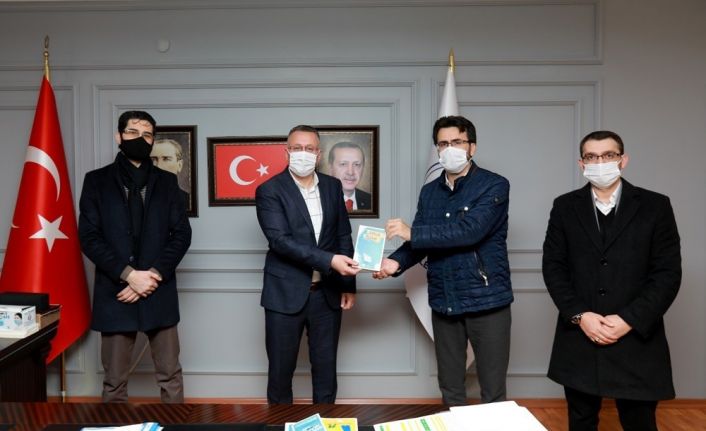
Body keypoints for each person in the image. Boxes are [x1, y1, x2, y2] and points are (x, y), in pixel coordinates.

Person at [542, 130, 681, 431]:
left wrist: (629, 320)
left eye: (608, 155)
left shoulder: (656, 206)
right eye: (592, 157)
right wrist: (580, 316)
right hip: (580, 336)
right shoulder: (564, 207)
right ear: (582, 164)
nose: (600, 162)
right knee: (581, 422)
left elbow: (667, 273)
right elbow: (553, 268)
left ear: (623, 160)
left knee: (640, 423)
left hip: (636, 338)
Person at [373, 115, 513, 406]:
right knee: (450, 387)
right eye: (443, 143)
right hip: (444, 299)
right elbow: (421, 241)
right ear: (437, 149)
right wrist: (394, 263)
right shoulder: (430, 192)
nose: (450, 149)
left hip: (486, 300)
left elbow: (470, 232)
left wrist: (412, 233)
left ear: (472, 147)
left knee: (493, 392)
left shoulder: (494, 185)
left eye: (457, 142)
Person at [79, 110, 192, 403]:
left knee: (171, 376)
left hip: (158, 288)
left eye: (147, 134)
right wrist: (129, 275)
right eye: (132, 132)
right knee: (114, 381)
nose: (140, 139)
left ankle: (174, 426)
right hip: (116, 291)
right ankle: (114, 425)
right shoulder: (96, 181)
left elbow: (181, 235)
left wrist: (151, 276)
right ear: (119, 136)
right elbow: (89, 238)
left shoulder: (168, 182)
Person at [255, 125, 360, 404]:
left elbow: (342, 235)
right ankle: (279, 424)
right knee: (280, 374)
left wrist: (348, 284)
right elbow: (280, 241)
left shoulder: (332, 186)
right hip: (284, 295)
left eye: (310, 148)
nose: (303, 153)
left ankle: (326, 423)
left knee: (326, 373)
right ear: (287, 152)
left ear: (319, 154)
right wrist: (330, 260)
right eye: (297, 148)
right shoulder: (269, 190)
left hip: (327, 294)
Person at [327, 141, 371, 212]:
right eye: (343, 164)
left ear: (363, 168)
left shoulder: (370, 200)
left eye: (356, 165)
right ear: (330, 168)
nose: (350, 172)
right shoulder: (319, 200)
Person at [150, 138, 191, 214]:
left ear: (179, 165)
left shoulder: (187, 200)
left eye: (166, 159)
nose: (159, 165)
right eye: (153, 160)